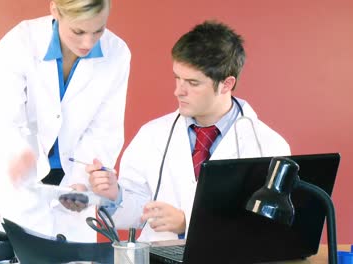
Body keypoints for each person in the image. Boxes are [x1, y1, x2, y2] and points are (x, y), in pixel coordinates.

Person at [86, 20, 291, 242]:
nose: (178, 91)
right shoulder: (152, 134)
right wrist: (114, 195)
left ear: (226, 84)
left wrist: (187, 223)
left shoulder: (269, 145)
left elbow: (268, 229)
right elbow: (137, 210)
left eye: (193, 83)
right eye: (177, 78)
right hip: (158, 256)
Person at [0, 0, 130, 242]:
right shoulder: (20, 42)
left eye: (98, 30)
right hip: (19, 185)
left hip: (73, 193)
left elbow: (104, 131)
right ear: (55, 10)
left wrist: (82, 181)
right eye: (78, 31)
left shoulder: (117, 53)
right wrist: (17, 153)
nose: (88, 43)